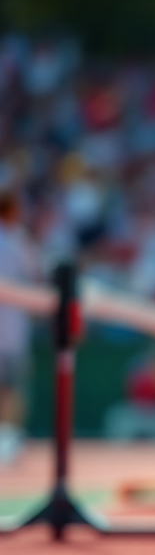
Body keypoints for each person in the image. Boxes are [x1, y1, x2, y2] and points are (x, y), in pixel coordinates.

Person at [0, 191, 40, 464]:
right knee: (12, 388)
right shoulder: (18, 241)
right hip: (12, 334)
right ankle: (9, 437)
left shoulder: (19, 240)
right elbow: (37, 278)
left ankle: (8, 438)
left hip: (12, 331)